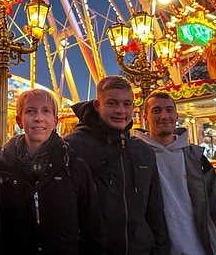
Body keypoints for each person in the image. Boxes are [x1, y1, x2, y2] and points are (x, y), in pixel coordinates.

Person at [63, 75, 169, 254]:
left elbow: (155, 209)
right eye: (112, 103)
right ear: (97, 105)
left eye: (127, 104)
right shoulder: (72, 147)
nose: (121, 111)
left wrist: (160, 248)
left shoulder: (143, 151)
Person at [0, 89, 103, 254]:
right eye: (30, 111)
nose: (39, 118)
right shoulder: (3, 166)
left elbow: (92, 227)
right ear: (19, 121)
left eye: (46, 111)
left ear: (55, 121)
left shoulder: (75, 167)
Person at [134, 91, 216, 254]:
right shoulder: (134, 158)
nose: (164, 116)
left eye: (169, 110)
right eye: (156, 111)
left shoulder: (197, 159)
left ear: (177, 116)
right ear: (145, 117)